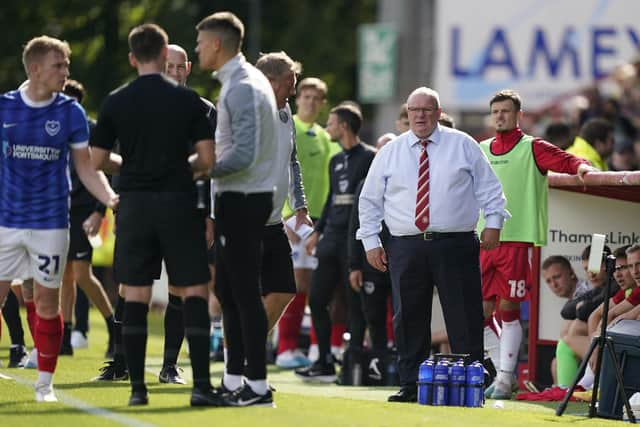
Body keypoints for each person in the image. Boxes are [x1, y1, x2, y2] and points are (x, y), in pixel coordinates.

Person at [91, 23, 216, 407]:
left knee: (135, 295)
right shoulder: (191, 103)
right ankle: (199, 387)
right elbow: (208, 160)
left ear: (132, 58)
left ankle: (137, 390)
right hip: (179, 202)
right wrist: (183, 167)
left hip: (135, 205)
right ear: (165, 57)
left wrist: (129, 167)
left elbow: (96, 160)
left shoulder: (115, 100)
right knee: (193, 290)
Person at [357, 86, 509, 403]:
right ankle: (411, 383)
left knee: (464, 313)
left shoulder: (463, 145)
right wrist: (371, 241)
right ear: (407, 113)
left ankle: (470, 380)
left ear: (439, 113)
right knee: (408, 316)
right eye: (415, 110)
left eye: (427, 110)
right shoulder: (390, 151)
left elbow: (490, 189)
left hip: (455, 243)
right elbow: (369, 200)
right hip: (405, 244)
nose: (421, 116)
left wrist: (493, 224)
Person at [0, 35, 118, 402]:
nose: (66, 72)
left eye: (67, 65)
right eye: (59, 65)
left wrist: (112, 198)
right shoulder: (5, 108)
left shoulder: (71, 112)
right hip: (5, 222)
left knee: (48, 304)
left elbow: (86, 168)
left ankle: (44, 385)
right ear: (35, 69)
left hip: (51, 223)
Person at [479, 89, 596, 400]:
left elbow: (566, 159)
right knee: (479, 312)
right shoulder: (480, 149)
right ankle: (500, 371)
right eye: (496, 112)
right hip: (484, 240)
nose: (500, 116)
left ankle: (505, 379)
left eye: (506, 111)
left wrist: (582, 167)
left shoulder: (531, 148)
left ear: (518, 115)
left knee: (508, 310)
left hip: (516, 241)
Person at [196, 11, 279, 407]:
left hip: (244, 198)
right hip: (238, 197)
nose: (197, 50)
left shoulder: (243, 85)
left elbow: (243, 153)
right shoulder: (238, 81)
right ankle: (232, 380)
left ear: (216, 44)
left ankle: (258, 386)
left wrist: (198, 168)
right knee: (228, 291)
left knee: (244, 292)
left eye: (200, 43)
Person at [294, 104, 376, 383]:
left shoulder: (370, 157)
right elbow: (331, 200)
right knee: (317, 299)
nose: (327, 127)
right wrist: (317, 232)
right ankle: (324, 360)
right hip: (331, 239)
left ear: (343, 126)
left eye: (330, 123)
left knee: (354, 303)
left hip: (354, 242)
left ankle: (352, 359)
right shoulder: (335, 160)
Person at [154, 43, 218, 386]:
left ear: (189, 68)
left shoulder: (206, 111)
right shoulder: (139, 104)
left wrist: (209, 213)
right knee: (129, 287)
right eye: (169, 67)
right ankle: (121, 360)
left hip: (189, 211)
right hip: (145, 208)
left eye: (181, 67)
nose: (176, 73)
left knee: (182, 287)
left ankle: (169, 365)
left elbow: (212, 167)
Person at [276, 77, 341, 369]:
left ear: (323, 104)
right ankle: (285, 348)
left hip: (319, 222)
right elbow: (284, 170)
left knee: (319, 285)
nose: (311, 102)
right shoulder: (292, 129)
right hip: (294, 217)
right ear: (298, 98)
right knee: (297, 281)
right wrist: (287, 214)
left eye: (317, 98)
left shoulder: (326, 137)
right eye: (306, 96)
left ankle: (318, 348)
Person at [254, 51, 311, 331]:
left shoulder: (285, 110)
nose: (294, 87)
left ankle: (245, 354)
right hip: (245, 222)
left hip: (273, 221)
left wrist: (300, 205)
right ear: (270, 81)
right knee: (244, 299)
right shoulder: (247, 111)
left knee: (284, 290)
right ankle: (236, 366)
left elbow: (291, 159)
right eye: (290, 81)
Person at [58, 79, 116, 357]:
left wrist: (98, 211)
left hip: (84, 209)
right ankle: (65, 337)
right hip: (60, 208)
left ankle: (112, 327)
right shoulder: (54, 126)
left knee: (83, 275)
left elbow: (101, 171)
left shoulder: (90, 129)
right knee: (65, 275)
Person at [540, 255, 590, 385]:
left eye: (557, 277)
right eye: (549, 281)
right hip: (590, 351)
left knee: (568, 331)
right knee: (556, 363)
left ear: (572, 272)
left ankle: (563, 393)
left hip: (604, 348)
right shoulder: (573, 300)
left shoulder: (586, 291)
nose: (554, 285)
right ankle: (560, 393)